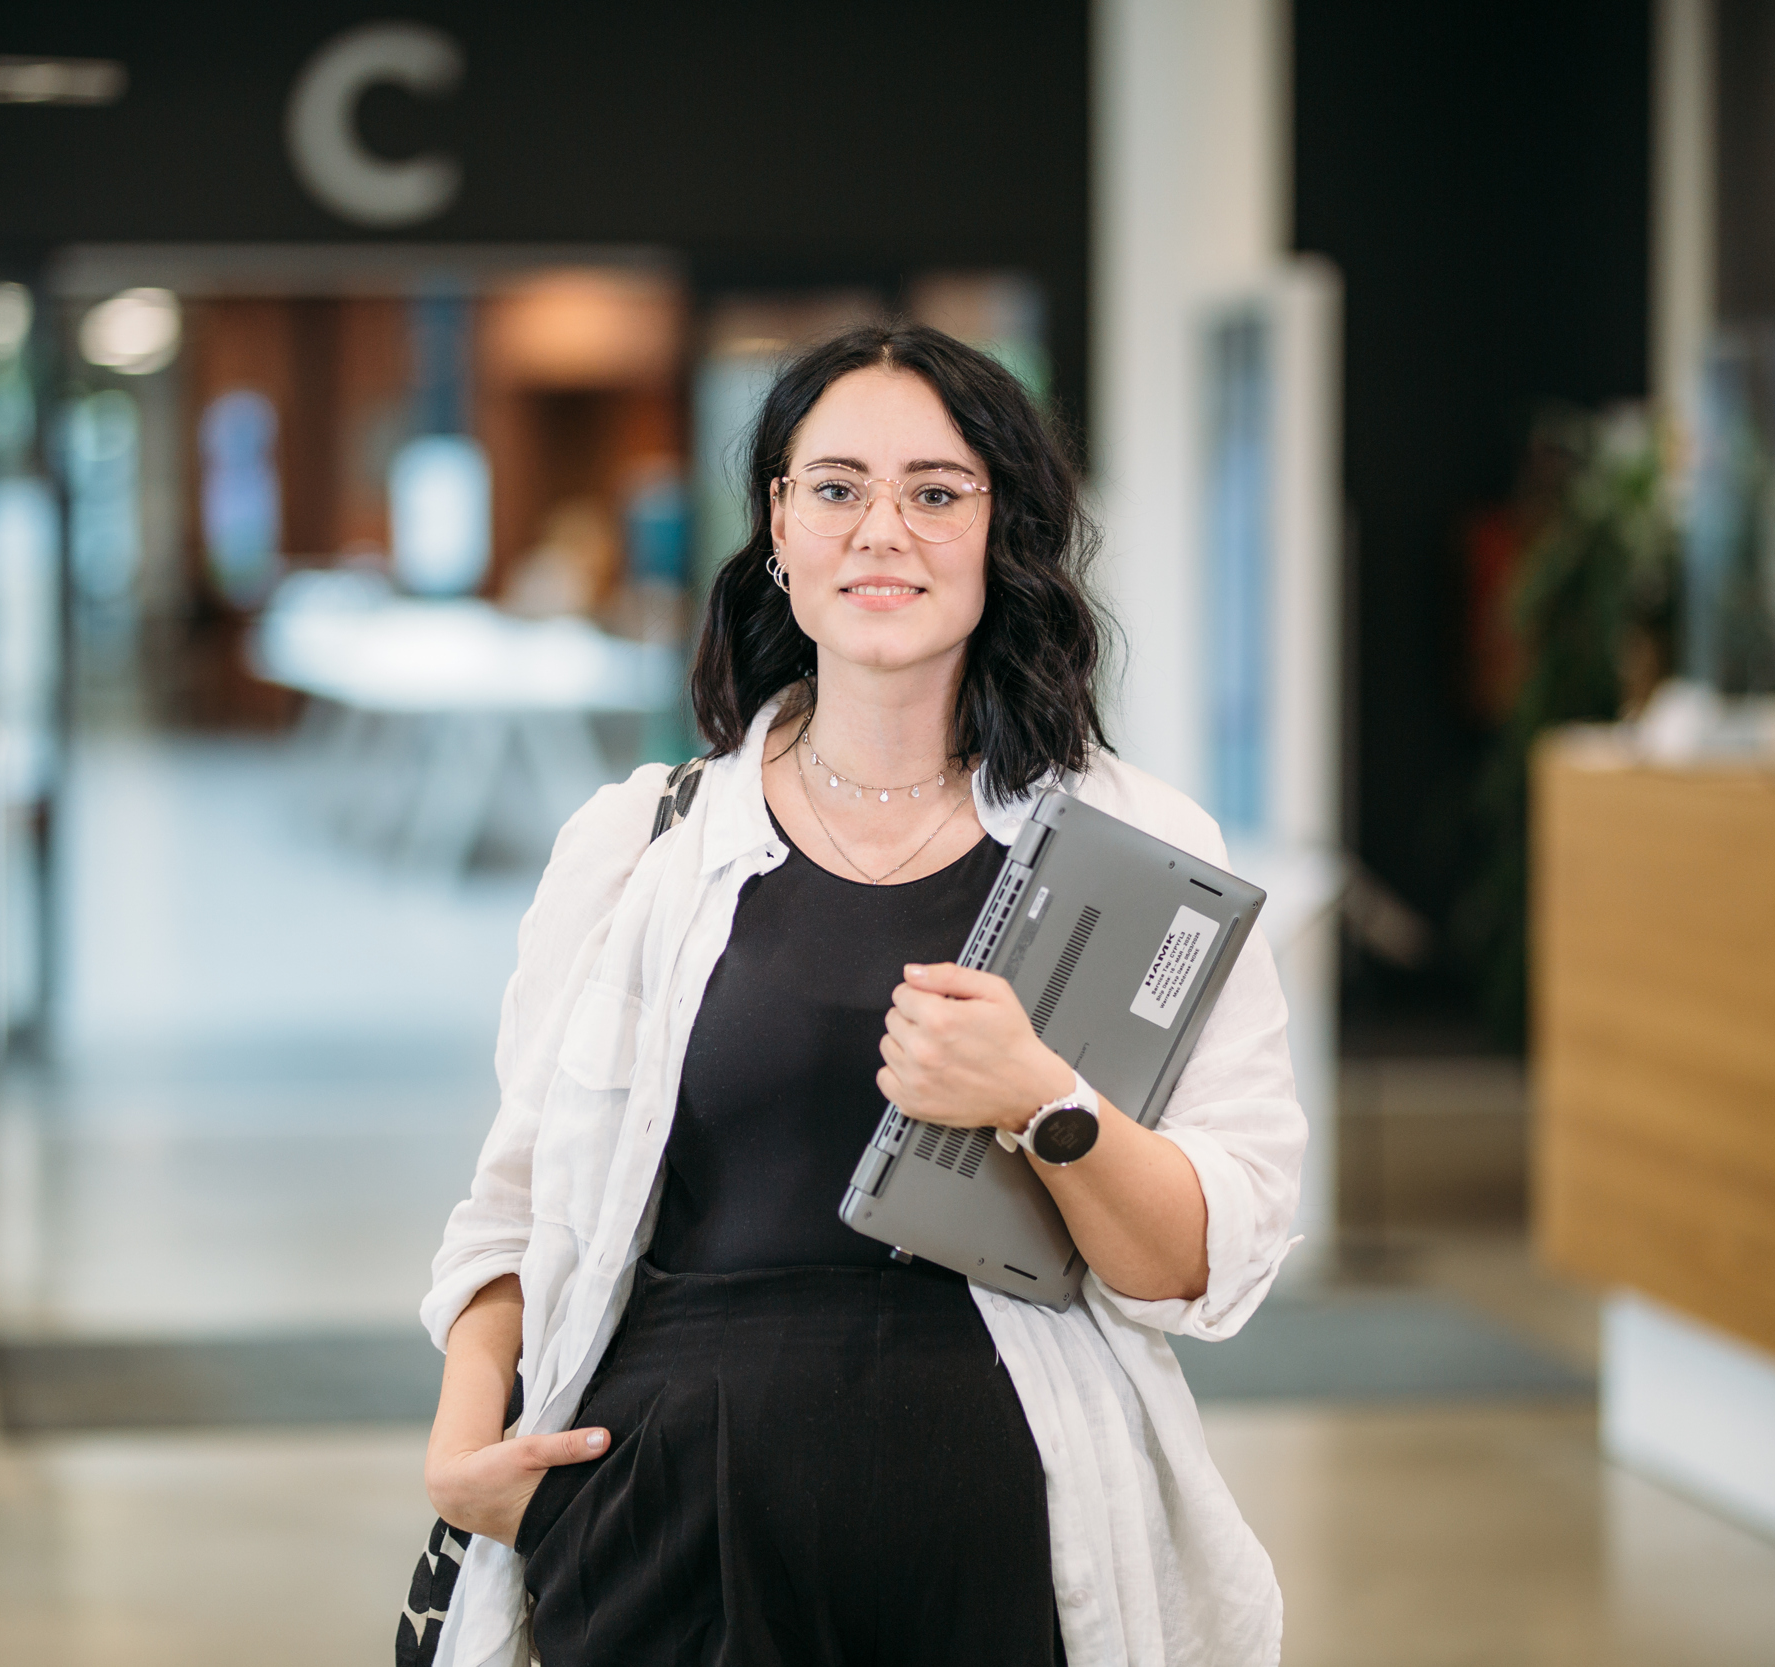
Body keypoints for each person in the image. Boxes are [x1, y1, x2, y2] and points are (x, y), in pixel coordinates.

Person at [421, 323, 1304, 1667]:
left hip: (1008, 1537)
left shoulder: (1140, 854)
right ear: (779, 521)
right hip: (667, 1525)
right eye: (836, 488)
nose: (882, 529)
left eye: (936, 492)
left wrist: (1044, 1103)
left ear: (1001, 528)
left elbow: (1204, 1257)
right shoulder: (640, 844)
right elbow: (517, 1204)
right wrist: (462, 1438)